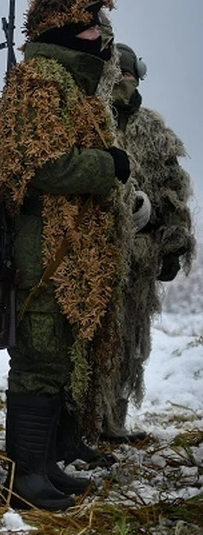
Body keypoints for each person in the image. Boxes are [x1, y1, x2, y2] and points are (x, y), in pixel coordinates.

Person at [0, 0, 129, 511]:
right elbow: (37, 167)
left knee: (55, 360)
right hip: (39, 248)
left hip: (64, 246)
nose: (100, 37)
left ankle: (43, 462)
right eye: (90, 26)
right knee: (37, 358)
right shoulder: (39, 83)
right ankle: (23, 476)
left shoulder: (70, 87)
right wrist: (106, 166)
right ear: (63, 31)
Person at [100, 43, 195, 442]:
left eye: (132, 75)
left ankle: (112, 420)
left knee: (128, 342)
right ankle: (82, 423)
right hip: (93, 253)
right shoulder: (92, 121)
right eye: (120, 74)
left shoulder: (154, 132)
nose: (127, 81)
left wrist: (174, 244)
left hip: (138, 257)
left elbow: (173, 190)